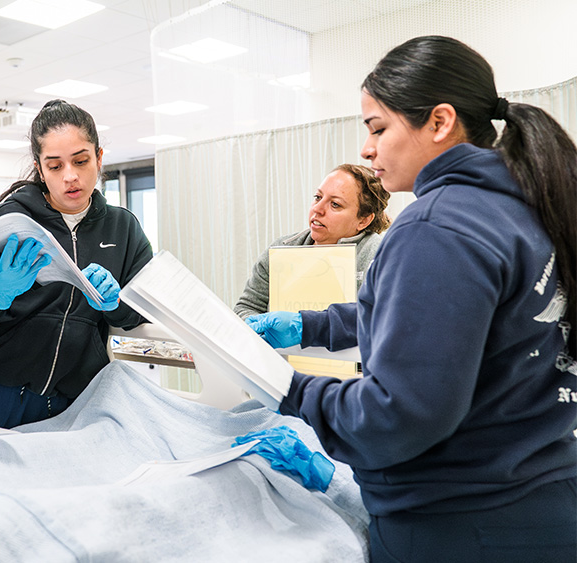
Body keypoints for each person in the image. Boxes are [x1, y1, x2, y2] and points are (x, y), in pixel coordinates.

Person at [246, 36, 576, 562]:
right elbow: (451, 321)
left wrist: (286, 387)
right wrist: (312, 326)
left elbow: (396, 416)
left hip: (459, 528)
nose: (367, 148)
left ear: (439, 122)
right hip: (542, 498)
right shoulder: (531, 210)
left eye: (378, 127)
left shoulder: (438, 224)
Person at [0, 99, 153, 428]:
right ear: (40, 170)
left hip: (72, 399)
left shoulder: (123, 228)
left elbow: (138, 313)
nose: (70, 176)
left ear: (98, 158)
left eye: (81, 161)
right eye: (55, 166)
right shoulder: (11, 218)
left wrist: (114, 304)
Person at [233, 164, 390, 319]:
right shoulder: (281, 249)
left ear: (363, 221)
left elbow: (381, 320)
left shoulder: (380, 256)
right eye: (318, 197)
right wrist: (260, 327)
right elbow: (247, 307)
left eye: (335, 204)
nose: (318, 209)